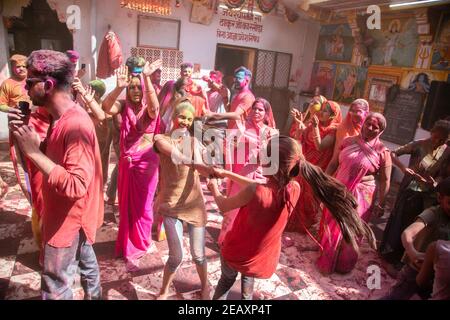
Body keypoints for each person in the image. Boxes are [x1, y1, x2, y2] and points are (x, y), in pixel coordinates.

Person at [207, 136, 376, 300]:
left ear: (268, 162)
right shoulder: (294, 188)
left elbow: (223, 206)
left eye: (264, 154)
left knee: (226, 281)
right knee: (247, 285)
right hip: (257, 256)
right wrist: (228, 174)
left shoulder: (255, 192)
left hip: (236, 250)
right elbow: (256, 188)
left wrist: (214, 188)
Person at [11, 50, 103, 300]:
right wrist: (26, 138)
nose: (25, 88)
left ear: (48, 85)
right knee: (86, 265)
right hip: (68, 215)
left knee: (55, 287)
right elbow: (53, 161)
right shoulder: (58, 118)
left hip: (67, 219)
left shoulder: (76, 124)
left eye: (30, 83)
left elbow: (76, 185)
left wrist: (34, 151)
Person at [102, 57, 162, 269]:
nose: (136, 91)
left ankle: (142, 241)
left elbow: (155, 109)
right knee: (126, 207)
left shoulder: (148, 107)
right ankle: (128, 242)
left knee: (144, 208)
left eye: (139, 88)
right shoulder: (122, 104)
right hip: (127, 164)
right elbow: (105, 108)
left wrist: (146, 77)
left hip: (146, 164)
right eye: (133, 87)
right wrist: (118, 88)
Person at [317, 113, 392, 274]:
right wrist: (324, 184)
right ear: (363, 123)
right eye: (368, 124)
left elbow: (386, 180)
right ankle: (327, 259)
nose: (370, 128)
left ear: (381, 131)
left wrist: (381, 202)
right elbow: (333, 164)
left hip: (362, 195)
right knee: (333, 223)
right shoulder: (347, 141)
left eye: (375, 127)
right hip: (338, 189)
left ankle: (345, 264)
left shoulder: (383, 152)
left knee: (352, 229)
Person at [153, 100, 213, 300]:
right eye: (182, 117)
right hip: (171, 205)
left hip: (195, 206)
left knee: (199, 255)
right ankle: (164, 291)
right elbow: (175, 154)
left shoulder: (195, 143)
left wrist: (210, 169)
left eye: (189, 118)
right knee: (176, 257)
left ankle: (205, 287)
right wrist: (195, 162)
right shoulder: (161, 139)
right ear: (174, 117)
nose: (185, 121)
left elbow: (203, 165)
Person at [380, 120, 450, 268]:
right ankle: (391, 256)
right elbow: (392, 153)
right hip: (410, 190)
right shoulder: (419, 144)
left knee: (418, 228)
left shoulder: (447, 152)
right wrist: (402, 168)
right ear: (431, 133)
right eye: (435, 137)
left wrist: (435, 182)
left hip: (429, 196)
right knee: (401, 222)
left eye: (442, 140)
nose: (437, 141)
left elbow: (443, 175)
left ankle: (406, 261)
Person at [218, 98, 277, 246]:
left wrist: (264, 148)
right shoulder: (242, 126)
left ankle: (245, 242)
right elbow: (228, 148)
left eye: (260, 109)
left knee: (253, 210)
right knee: (235, 207)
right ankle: (227, 240)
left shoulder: (271, 132)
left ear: (266, 113)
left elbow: (273, 159)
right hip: (240, 173)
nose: (257, 111)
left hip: (260, 175)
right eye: (255, 108)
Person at [381, 178, 450, 300]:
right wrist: (413, 253)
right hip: (414, 271)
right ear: (439, 198)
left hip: (435, 277)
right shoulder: (433, 213)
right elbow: (407, 233)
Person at [286, 100, 342, 233]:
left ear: (333, 115)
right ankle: (293, 222)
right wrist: (300, 122)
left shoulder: (333, 130)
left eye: (325, 110)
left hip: (317, 167)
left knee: (310, 196)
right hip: (303, 163)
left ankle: (306, 224)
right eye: (321, 109)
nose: (321, 112)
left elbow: (320, 146)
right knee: (298, 192)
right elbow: (297, 138)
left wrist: (316, 127)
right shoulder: (311, 124)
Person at [73, 78, 121, 204]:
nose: (86, 92)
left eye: (89, 90)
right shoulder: (87, 106)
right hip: (92, 150)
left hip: (98, 149)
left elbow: (101, 118)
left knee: (99, 168)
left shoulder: (101, 109)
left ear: (97, 94)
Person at [0, 54, 31, 199]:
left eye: (24, 66)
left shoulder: (33, 81)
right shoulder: (7, 83)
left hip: (35, 123)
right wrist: (12, 109)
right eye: (18, 66)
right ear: (13, 68)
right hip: (16, 124)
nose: (21, 69)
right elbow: (1, 104)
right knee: (20, 159)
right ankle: (29, 191)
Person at [326, 98, 370, 175]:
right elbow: (335, 158)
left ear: (366, 113)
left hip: (360, 175)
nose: (354, 114)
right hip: (341, 172)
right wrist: (325, 177)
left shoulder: (369, 131)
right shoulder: (343, 128)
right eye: (352, 111)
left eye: (358, 111)